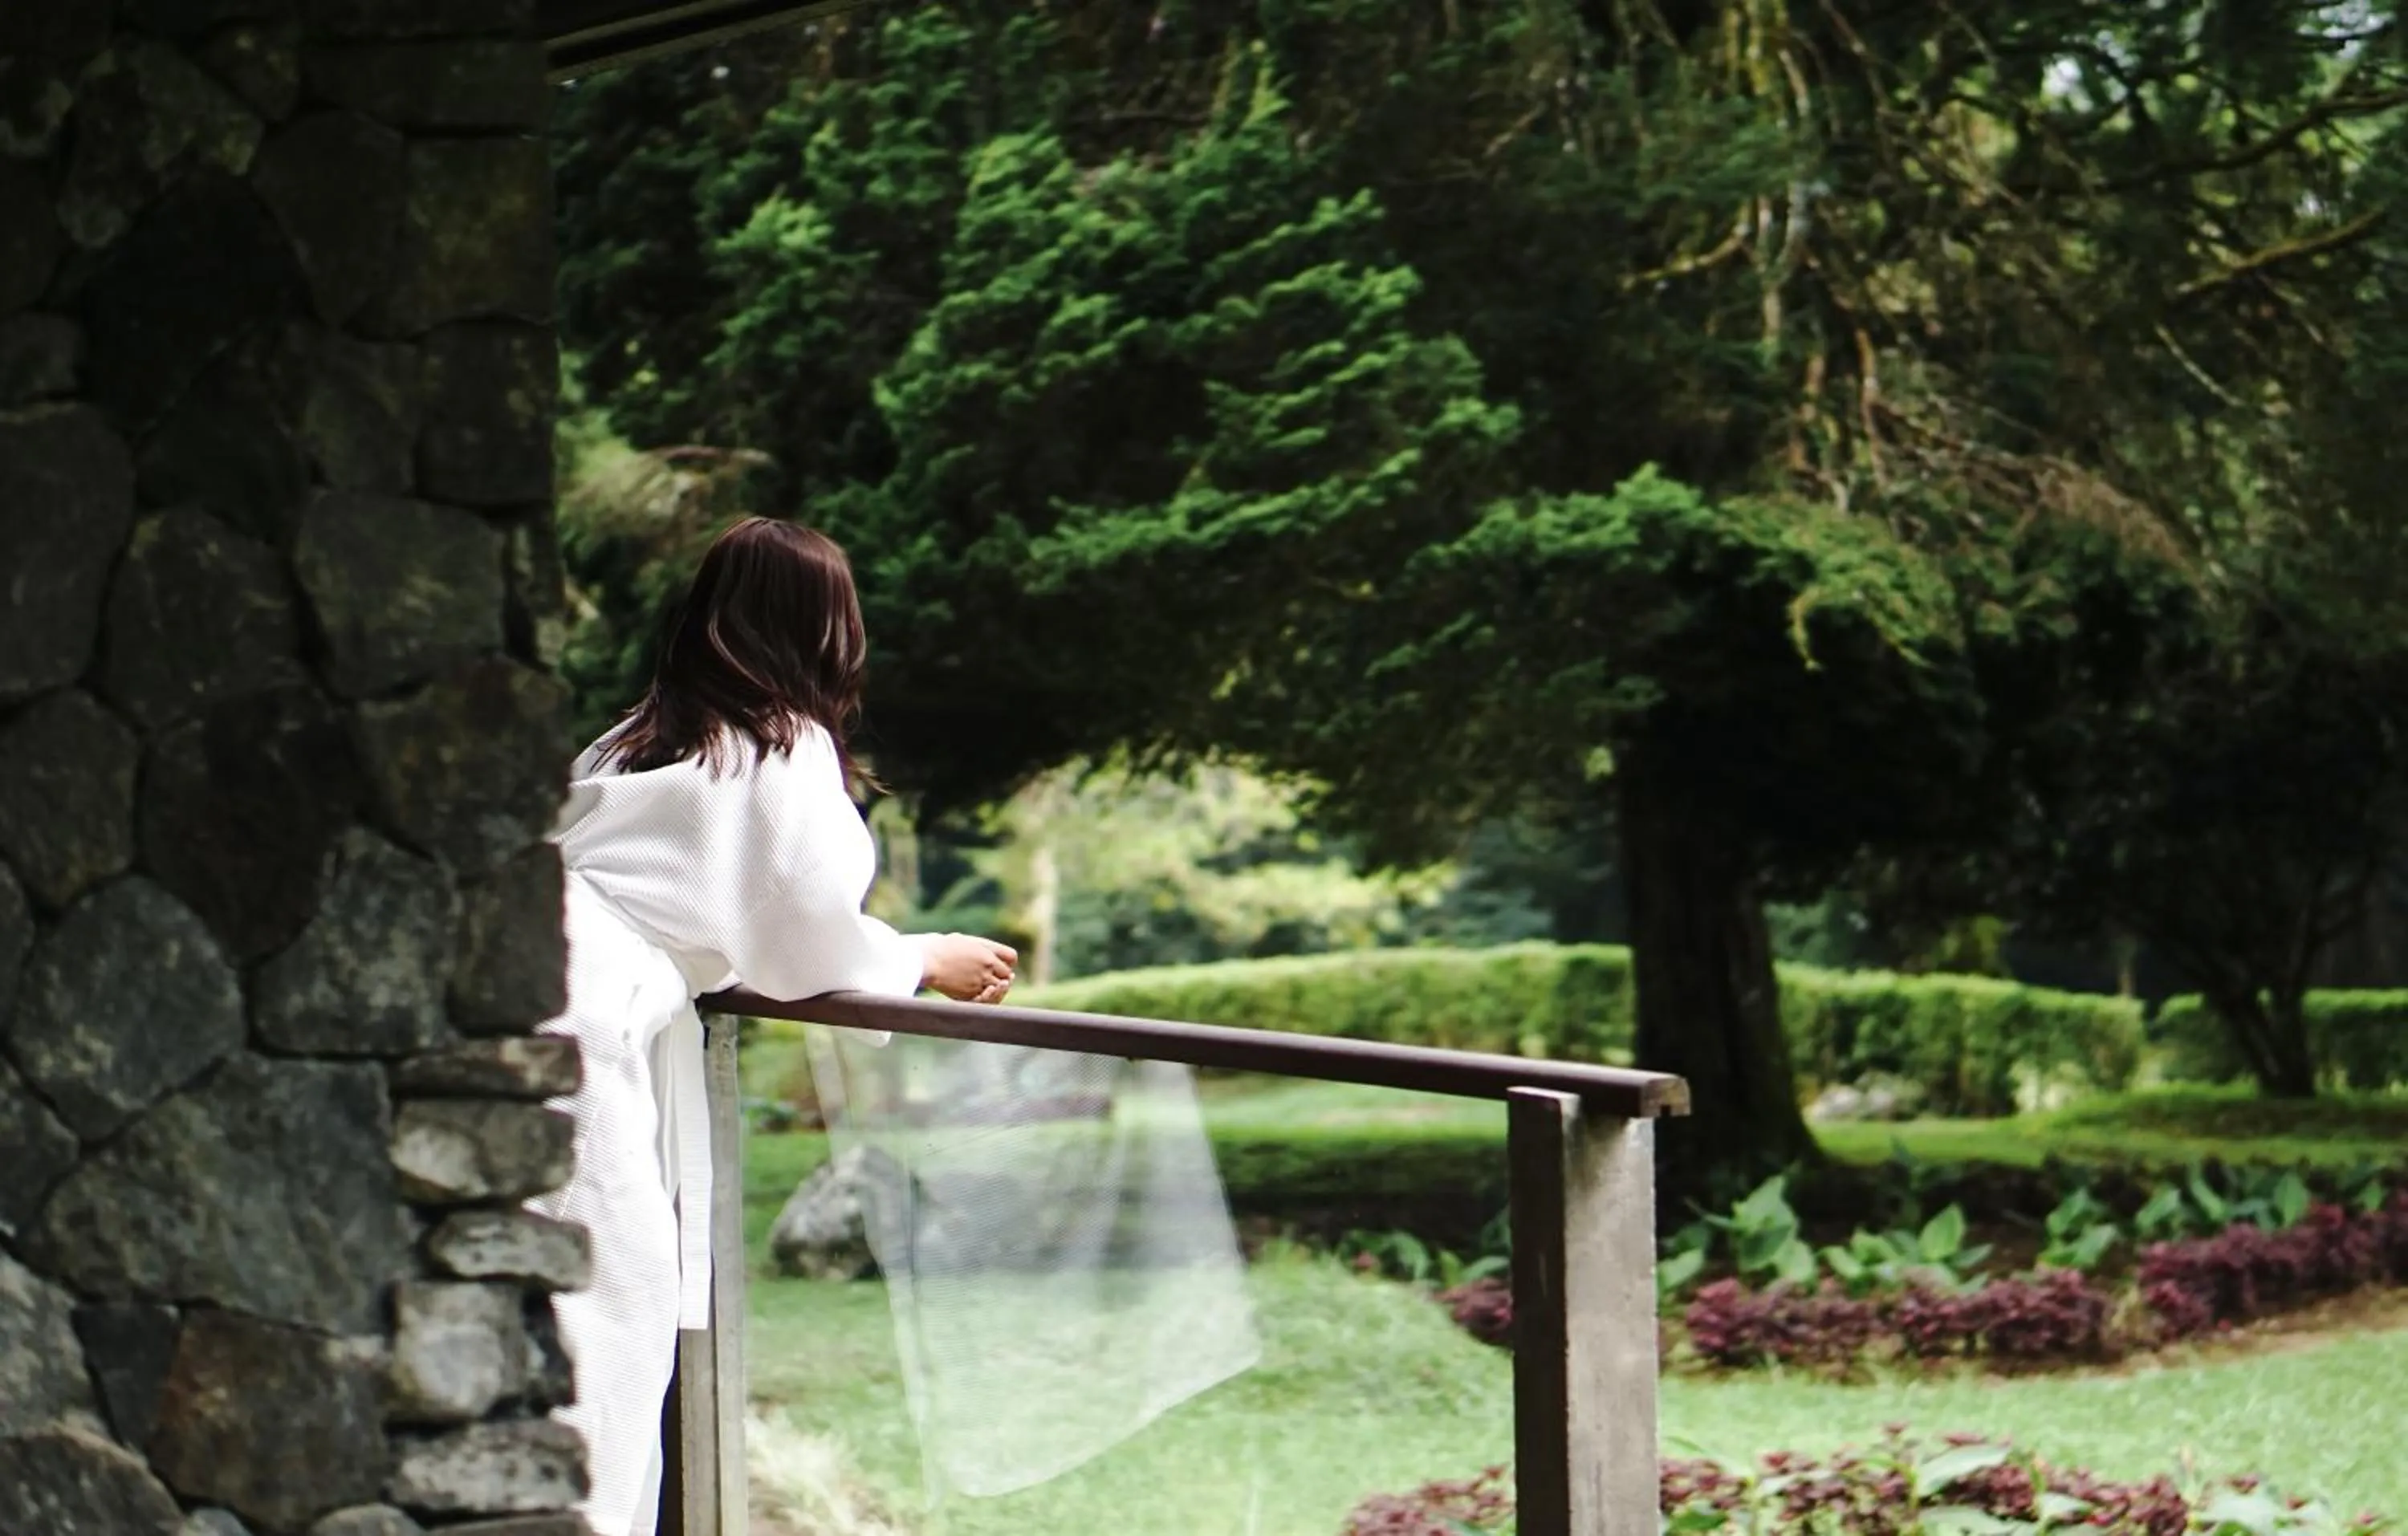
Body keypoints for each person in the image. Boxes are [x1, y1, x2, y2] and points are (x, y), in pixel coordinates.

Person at [528, 518, 1019, 1536]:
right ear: (829, 630)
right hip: (593, 1026)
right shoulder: (782, 748)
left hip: (534, 979)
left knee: (545, 1306)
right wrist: (923, 956)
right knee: (605, 1318)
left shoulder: (633, 738)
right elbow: (801, 934)